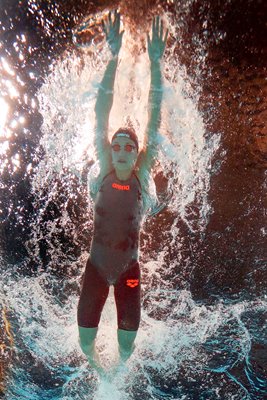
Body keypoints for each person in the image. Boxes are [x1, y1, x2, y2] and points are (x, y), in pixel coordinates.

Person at [77, 10, 168, 369]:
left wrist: (155, 64)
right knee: (86, 345)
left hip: (129, 272)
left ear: (137, 153)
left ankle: (115, 375)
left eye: (129, 146)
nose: (123, 150)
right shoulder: (103, 170)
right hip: (97, 269)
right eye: (117, 145)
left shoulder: (141, 174)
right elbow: (102, 110)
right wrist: (112, 56)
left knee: (126, 351)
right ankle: (104, 376)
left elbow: (154, 115)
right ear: (110, 150)